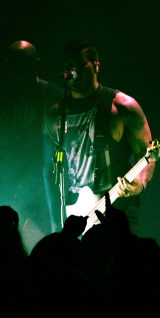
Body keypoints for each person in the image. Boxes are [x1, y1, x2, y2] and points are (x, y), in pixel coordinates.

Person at [48, 39, 154, 232]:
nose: (74, 71)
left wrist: (141, 183)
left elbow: (146, 151)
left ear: (96, 67)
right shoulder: (55, 114)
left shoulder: (122, 106)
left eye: (80, 65)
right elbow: (48, 167)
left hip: (117, 210)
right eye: (68, 66)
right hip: (75, 212)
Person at [0, 41, 63, 235]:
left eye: (26, 62)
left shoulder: (53, 94)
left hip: (42, 181)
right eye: (16, 63)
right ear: (9, 64)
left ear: (36, 62)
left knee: (46, 235)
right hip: (4, 178)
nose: (21, 69)